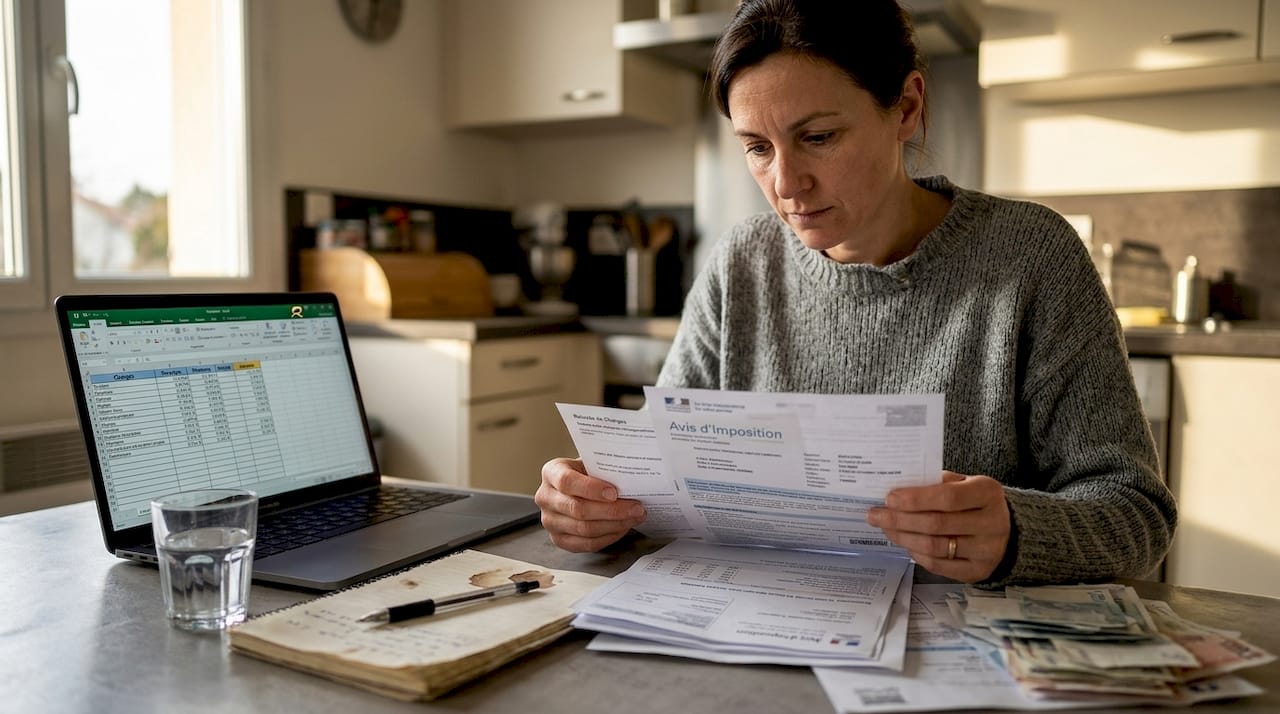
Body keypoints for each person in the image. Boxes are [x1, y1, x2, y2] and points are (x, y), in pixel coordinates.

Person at [536, 0, 1176, 586]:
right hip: (764, 627)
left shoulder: (1030, 256)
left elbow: (1136, 516)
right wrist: (595, 505)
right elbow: (658, 476)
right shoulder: (740, 265)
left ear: (907, 108)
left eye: (818, 138)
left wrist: (1014, 533)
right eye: (758, 148)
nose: (786, 183)